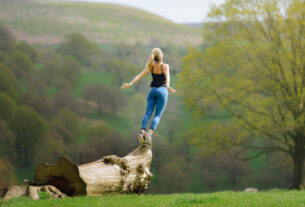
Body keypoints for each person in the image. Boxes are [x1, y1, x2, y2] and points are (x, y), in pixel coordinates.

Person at [121, 48, 176, 145]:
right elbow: (167, 77)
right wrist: (168, 87)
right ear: (161, 56)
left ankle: (142, 132)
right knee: (157, 115)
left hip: (152, 91)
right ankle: (149, 134)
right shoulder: (165, 66)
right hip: (162, 91)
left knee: (147, 113)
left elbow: (139, 76)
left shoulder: (151, 66)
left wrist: (130, 84)